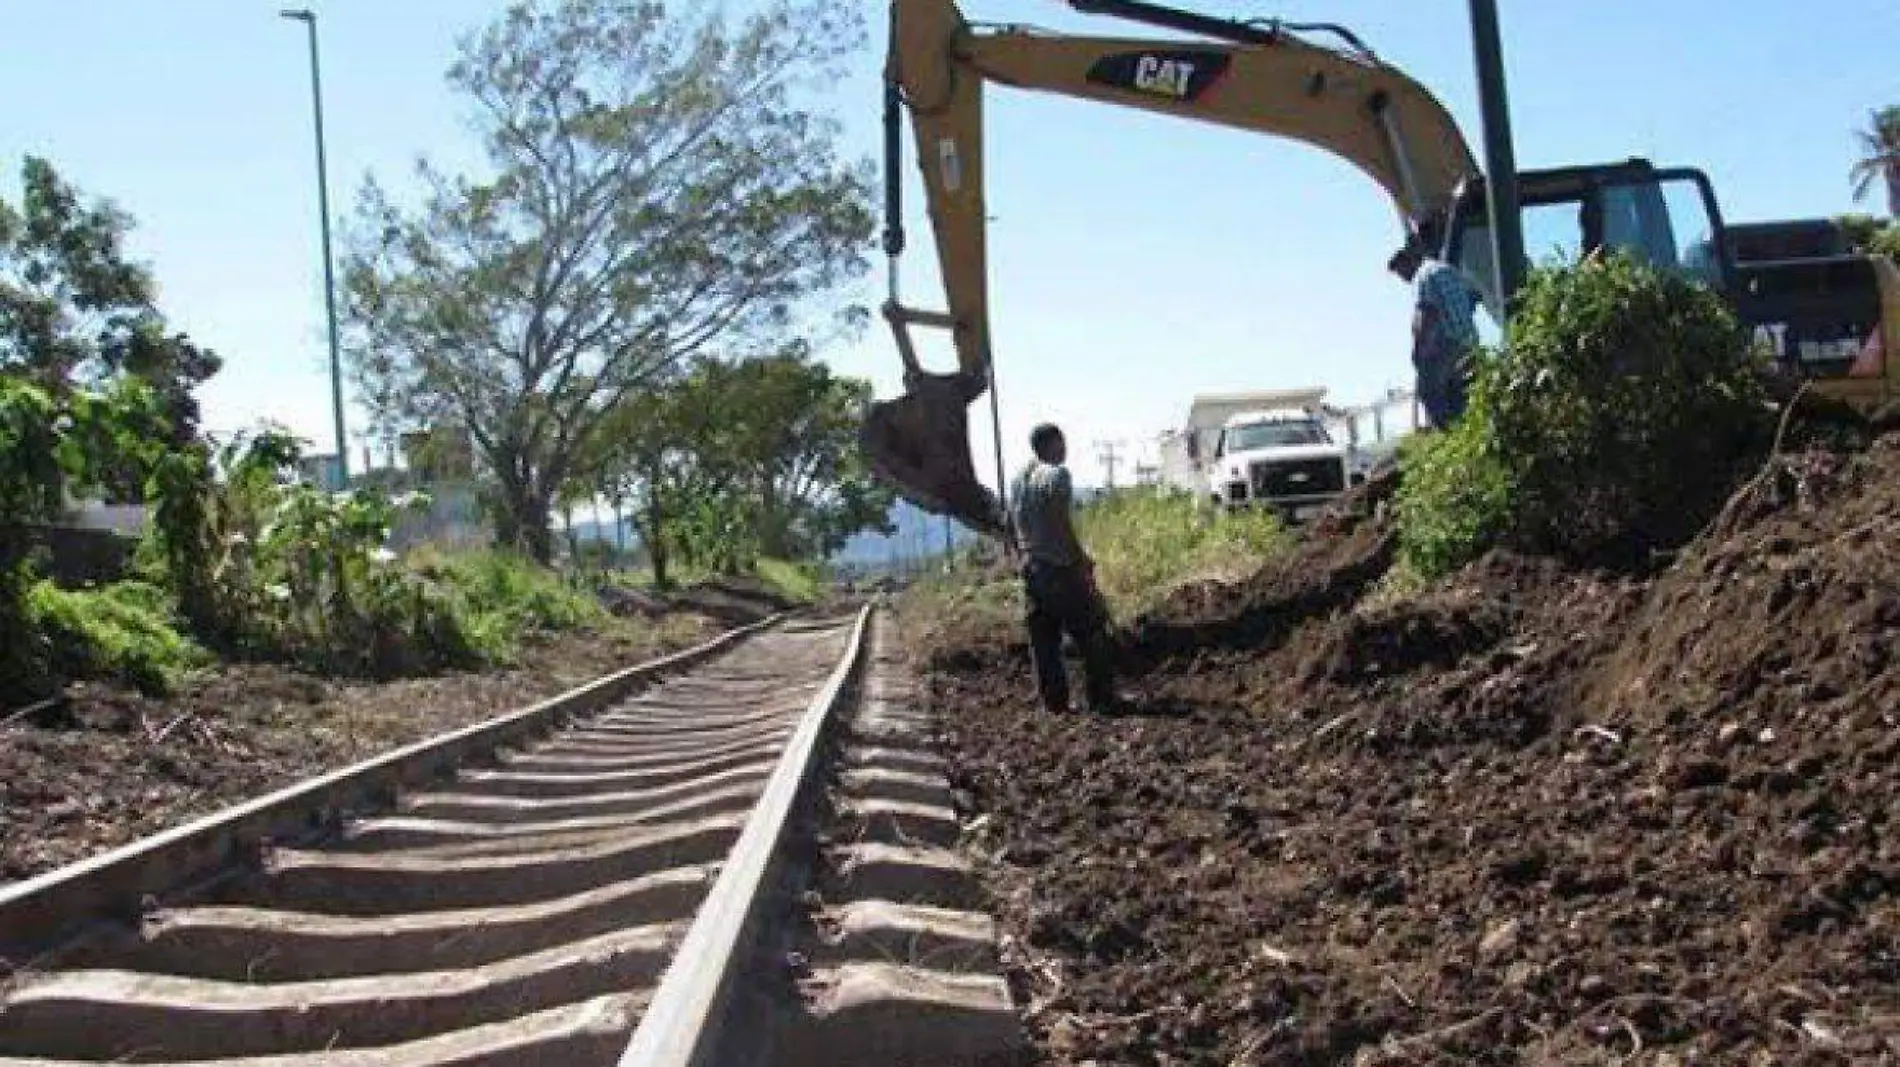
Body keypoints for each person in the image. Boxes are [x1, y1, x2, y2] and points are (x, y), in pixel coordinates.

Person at [1008, 423, 1123, 715]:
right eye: (1062, 443)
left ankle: (1054, 703)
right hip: (1060, 568)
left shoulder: (1018, 481)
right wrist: (1079, 557)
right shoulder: (1057, 475)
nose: (1065, 449)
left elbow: (1011, 522)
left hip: (1032, 569)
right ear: (1053, 444)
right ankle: (1101, 699)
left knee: (1044, 641)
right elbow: (1060, 520)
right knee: (1092, 631)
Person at [1389, 236, 1482, 429]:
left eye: (1402, 272)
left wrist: (1418, 350)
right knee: (1462, 395)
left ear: (1410, 261)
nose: (1404, 278)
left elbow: (1427, 313)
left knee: (1428, 390)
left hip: (1447, 343)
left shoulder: (1424, 275)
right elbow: (1475, 296)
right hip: (1470, 343)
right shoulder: (1448, 270)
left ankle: (1449, 435)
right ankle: (1467, 431)